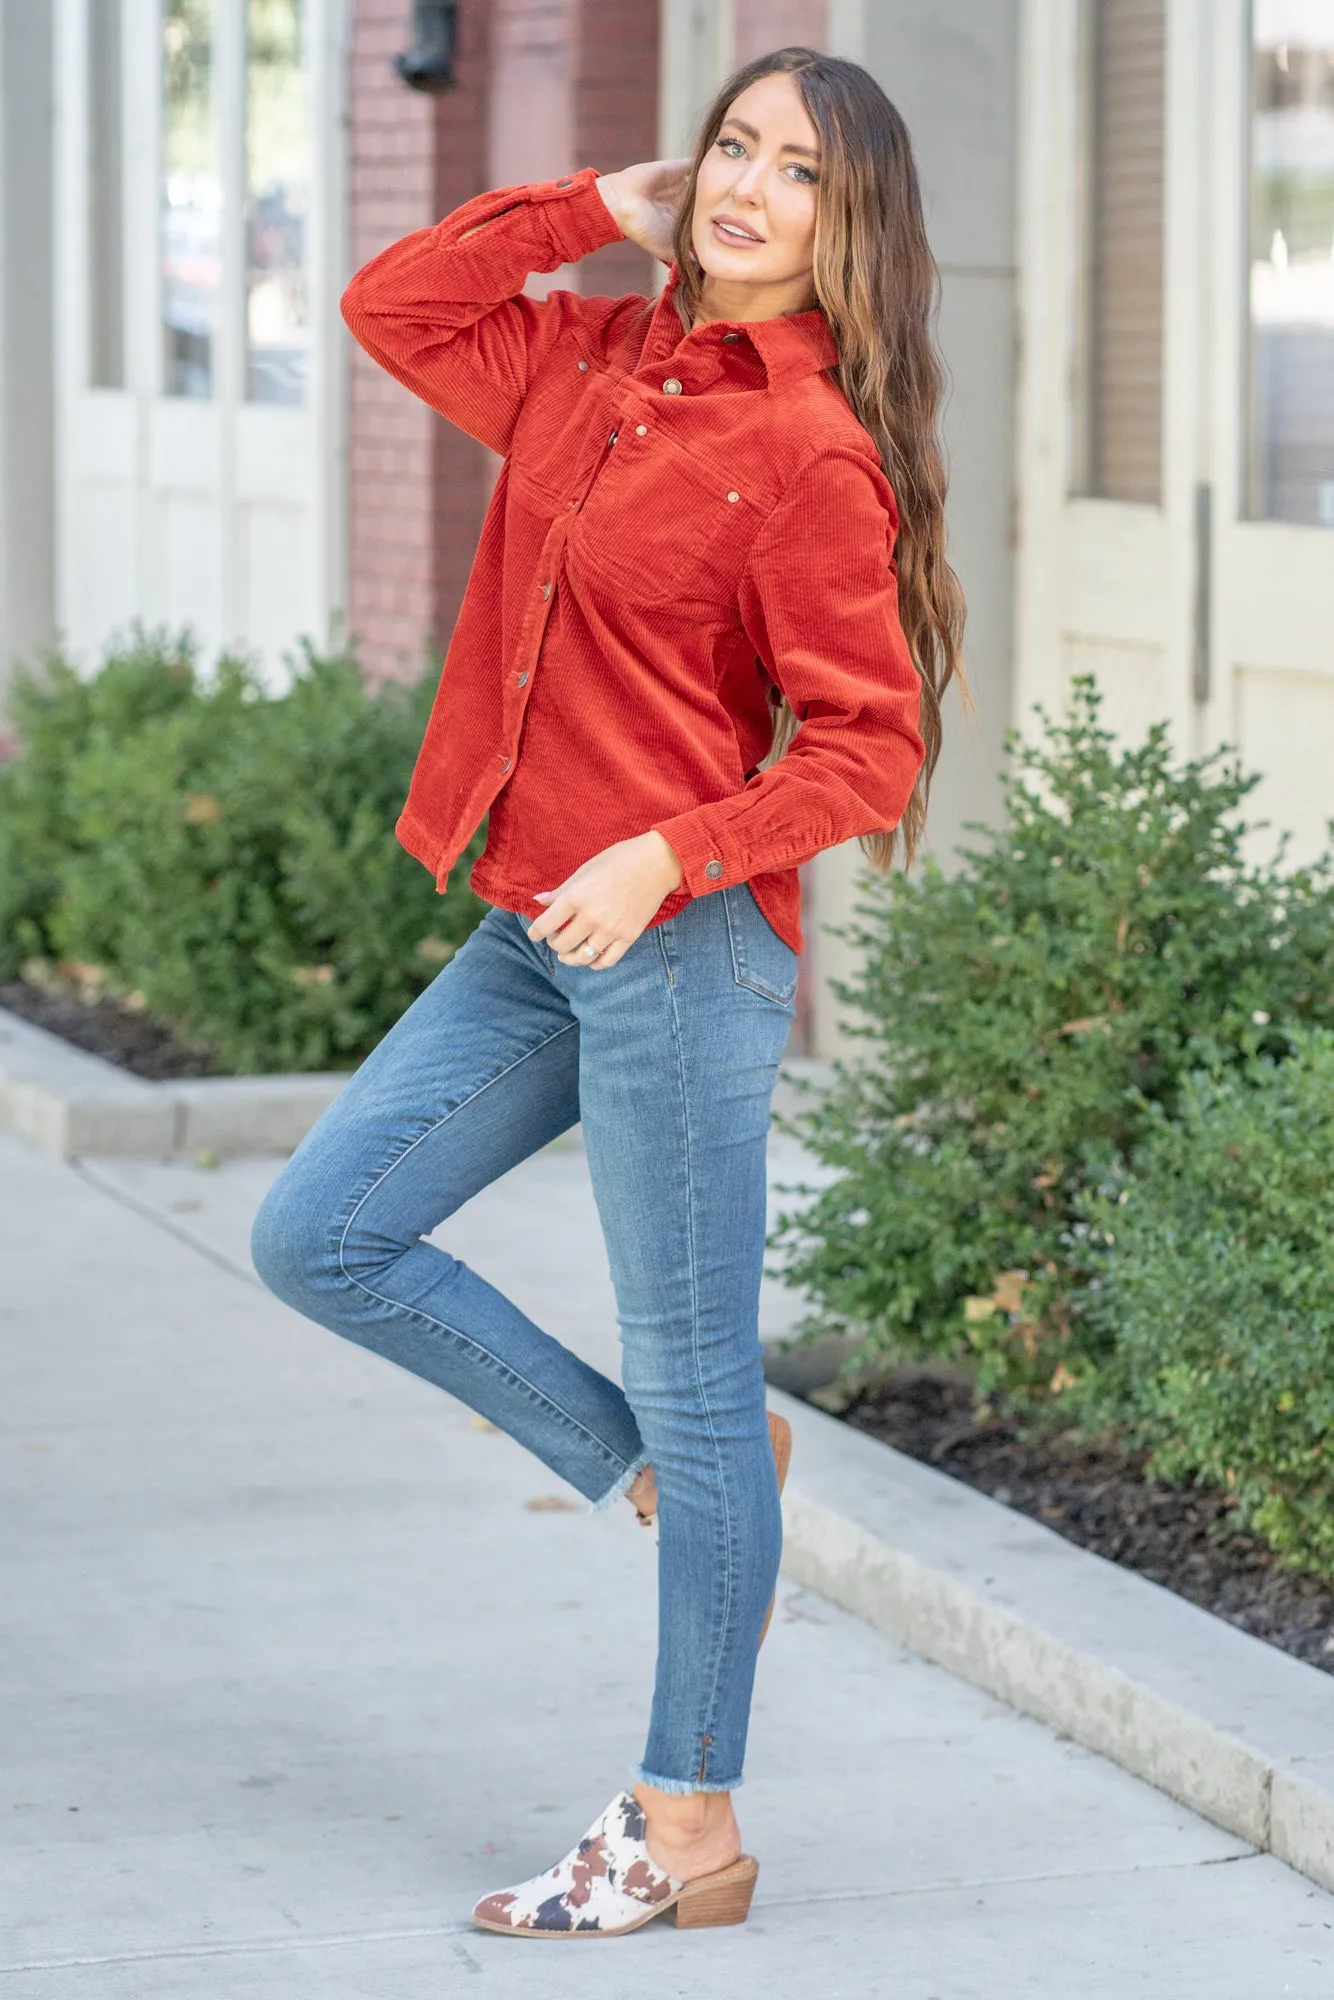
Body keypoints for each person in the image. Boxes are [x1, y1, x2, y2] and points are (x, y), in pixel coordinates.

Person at [250, 43, 964, 1942]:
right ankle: (672, 1460)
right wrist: (592, 206)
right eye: (733, 148)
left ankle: (686, 1824)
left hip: (675, 951)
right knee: (320, 1234)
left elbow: (867, 755)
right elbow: (389, 301)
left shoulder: (810, 453)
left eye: (794, 173)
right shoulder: (587, 366)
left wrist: (670, 850)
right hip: (526, 931)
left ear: (852, 225)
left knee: (697, 1371)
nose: (747, 191)